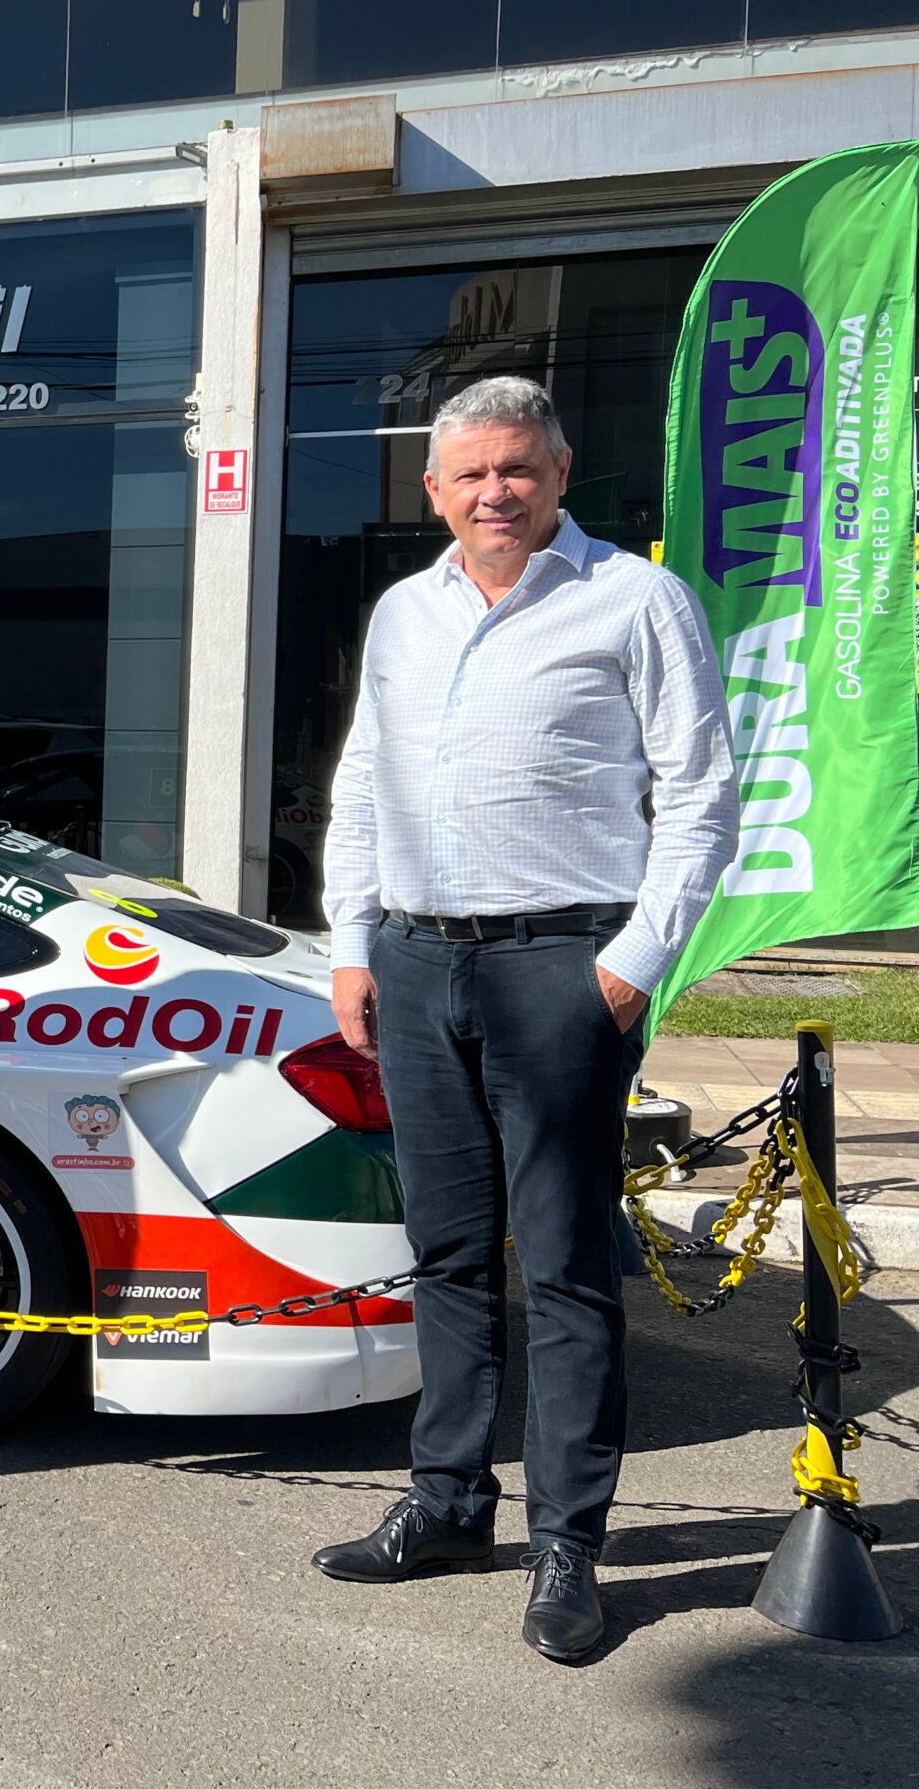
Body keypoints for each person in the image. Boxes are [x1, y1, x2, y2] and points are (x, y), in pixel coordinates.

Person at [314, 375, 738, 1662]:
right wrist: (351, 945)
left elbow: (702, 794)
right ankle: (448, 1504)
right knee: (447, 1254)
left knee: (561, 1267)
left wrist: (632, 965)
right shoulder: (405, 611)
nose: (494, 491)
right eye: (470, 474)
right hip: (415, 963)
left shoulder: (636, 599)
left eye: (517, 468)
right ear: (433, 490)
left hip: (563, 965)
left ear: (558, 473)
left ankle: (569, 1544)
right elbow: (362, 783)